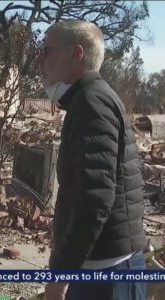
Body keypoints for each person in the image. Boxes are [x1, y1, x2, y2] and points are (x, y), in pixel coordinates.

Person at [37, 20, 147, 300]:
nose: (41, 59)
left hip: (107, 276)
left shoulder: (91, 103)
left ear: (77, 54)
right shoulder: (89, 99)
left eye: (47, 50)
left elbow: (94, 197)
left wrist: (62, 274)